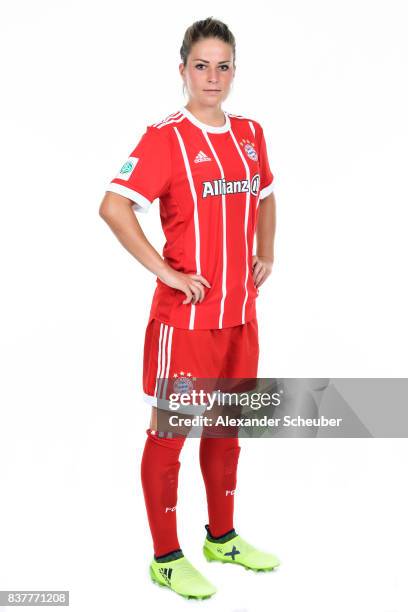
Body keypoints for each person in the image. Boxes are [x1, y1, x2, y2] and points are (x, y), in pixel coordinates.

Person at [99, 16, 280, 600]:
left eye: (223, 65)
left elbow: (267, 195)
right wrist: (168, 272)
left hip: (240, 316)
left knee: (227, 430)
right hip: (187, 323)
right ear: (182, 70)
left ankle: (221, 537)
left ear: (234, 71)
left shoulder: (251, 133)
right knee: (171, 433)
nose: (213, 76)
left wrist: (265, 252)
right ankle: (165, 555)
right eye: (201, 65)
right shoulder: (164, 138)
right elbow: (114, 208)